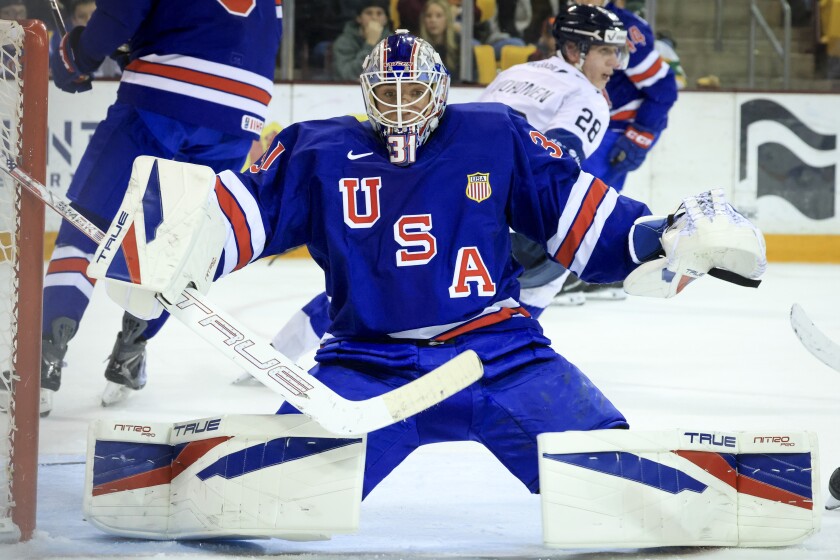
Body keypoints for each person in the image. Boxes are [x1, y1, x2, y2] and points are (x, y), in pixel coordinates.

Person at [97, 30, 765, 501]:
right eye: (385, 92)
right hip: (366, 364)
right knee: (269, 489)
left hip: (500, 352)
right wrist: (172, 240)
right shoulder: (317, 148)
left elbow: (580, 217)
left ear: (440, 88)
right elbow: (239, 213)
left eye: (412, 89)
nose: (400, 104)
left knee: (618, 481)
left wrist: (662, 236)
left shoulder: (494, 132)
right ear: (365, 93)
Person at [40, 0, 283, 415]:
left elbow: (123, 10)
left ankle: (46, 350)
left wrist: (77, 54)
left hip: (160, 102)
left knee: (87, 222)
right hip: (238, 121)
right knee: (174, 241)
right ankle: (132, 350)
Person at [479, 3, 627, 315]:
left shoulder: (514, 72)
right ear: (574, 49)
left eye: (616, 51)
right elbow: (550, 170)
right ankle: (517, 338)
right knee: (563, 244)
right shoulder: (588, 97)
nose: (614, 63)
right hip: (504, 232)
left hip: (454, 210)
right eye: (604, 51)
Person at [553, 0, 678, 302]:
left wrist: (640, 135)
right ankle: (593, 273)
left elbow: (663, 89)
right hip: (591, 121)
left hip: (612, 129)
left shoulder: (624, 29)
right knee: (579, 197)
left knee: (574, 197)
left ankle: (563, 275)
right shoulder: (574, 18)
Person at [332, 0, 391, 81]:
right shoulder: (344, 42)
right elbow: (346, 75)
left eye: (379, 13)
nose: (374, 18)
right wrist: (370, 45)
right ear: (359, 18)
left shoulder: (394, 42)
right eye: (369, 13)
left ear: (385, 19)